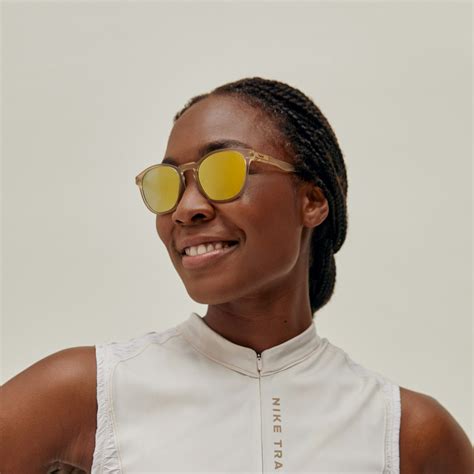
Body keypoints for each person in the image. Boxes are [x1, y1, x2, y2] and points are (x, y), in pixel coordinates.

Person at [1, 78, 472, 473]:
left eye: (223, 172)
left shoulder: (408, 434)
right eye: (168, 184)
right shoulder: (86, 393)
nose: (186, 208)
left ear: (312, 201)